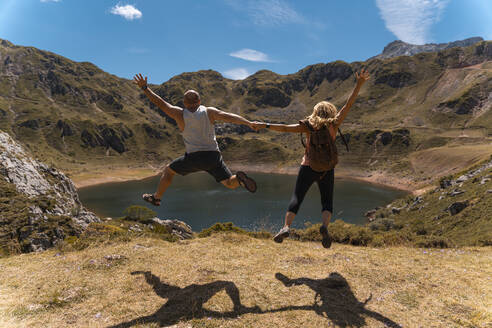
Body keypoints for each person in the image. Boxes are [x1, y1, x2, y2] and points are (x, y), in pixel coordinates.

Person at [255, 69, 370, 248]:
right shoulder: (334, 123)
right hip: (327, 168)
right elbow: (348, 104)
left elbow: (284, 128)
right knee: (327, 201)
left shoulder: (308, 126)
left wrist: (265, 125)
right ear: (330, 111)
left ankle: (286, 227)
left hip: (308, 166)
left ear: (315, 111)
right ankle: (324, 226)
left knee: (297, 197)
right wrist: (359, 84)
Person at [133, 73, 258, 206]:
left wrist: (145, 88)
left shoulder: (179, 114)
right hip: (213, 156)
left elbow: (160, 103)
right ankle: (238, 180)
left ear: (184, 103)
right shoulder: (209, 111)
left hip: (194, 157)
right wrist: (248, 123)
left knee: (168, 171)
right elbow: (229, 116)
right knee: (228, 182)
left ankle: (157, 198)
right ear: (199, 101)